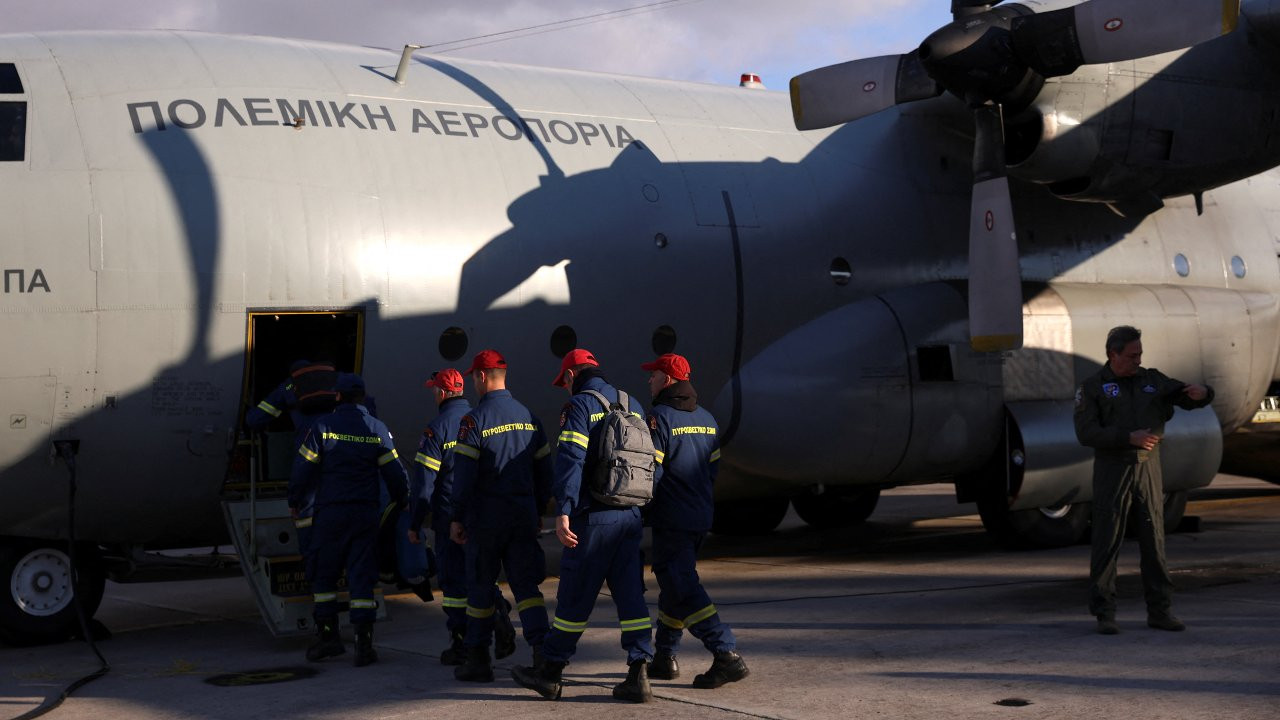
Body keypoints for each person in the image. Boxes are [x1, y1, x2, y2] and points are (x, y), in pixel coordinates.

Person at [512, 348, 654, 703]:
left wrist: (564, 509)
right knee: (630, 596)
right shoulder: (631, 403)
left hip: (594, 520)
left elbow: (572, 460)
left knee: (574, 598)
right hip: (629, 515)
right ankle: (639, 672)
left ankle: (550, 672)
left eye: (564, 382)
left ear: (573, 375)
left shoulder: (579, 406)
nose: (565, 388)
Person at [1073, 326, 1214, 635]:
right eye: (1132, 355)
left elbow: (1185, 395)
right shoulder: (1093, 387)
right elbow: (1086, 433)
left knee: (1154, 540)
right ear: (1113, 354)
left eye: (1140, 354)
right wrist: (1127, 437)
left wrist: (1203, 393)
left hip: (1148, 468)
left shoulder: (1151, 380)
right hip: (1113, 468)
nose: (1138, 360)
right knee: (1107, 540)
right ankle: (1104, 612)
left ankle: (1160, 610)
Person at [641, 353, 749, 688]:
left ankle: (725, 652)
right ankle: (665, 655)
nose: (650, 380)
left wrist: (639, 510)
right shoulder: (707, 419)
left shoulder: (658, 419)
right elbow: (712, 470)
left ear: (667, 380)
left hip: (672, 518)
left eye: (654, 375)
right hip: (699, 515)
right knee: (676, 583)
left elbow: (651, 474)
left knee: (682, 585)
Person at [290, 373, 409, 666]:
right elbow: (394, 472)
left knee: (324, 575)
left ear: (338, 396)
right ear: (362, 397)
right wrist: (401, 500)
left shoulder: (323, 427)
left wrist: (295, 500)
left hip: (331, 512)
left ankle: (329, 638)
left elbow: (303, 469)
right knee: (362, 577)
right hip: (364, 513)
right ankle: (364, 645)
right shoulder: (375, 428)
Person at [448, 350, 553, 682]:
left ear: (481, 377)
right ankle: (541, 654)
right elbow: (545, 472)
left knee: (480, 588)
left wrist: (456, 517)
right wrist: (537, 509)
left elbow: (462, 478)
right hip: (522, 515)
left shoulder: (474, 421)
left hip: (486, 520)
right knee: (527, 589)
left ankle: (478, 659)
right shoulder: (529, 416)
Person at [408, 367, 516, 665]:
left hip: (448, 518)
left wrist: (415, 522)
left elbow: (424, 484)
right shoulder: (478, 419)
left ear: (442, 393)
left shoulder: (437, 428)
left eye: (434, 389)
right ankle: (499, 613)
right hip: (481, 514)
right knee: (481, 574)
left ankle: (462, 642)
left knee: (455, 585)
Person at [245, 359, 338, 610]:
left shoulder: (289, 387)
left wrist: (247, 413)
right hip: (339, 463)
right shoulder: (338, 384)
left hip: (309, 458)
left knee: (308, 523)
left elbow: (257, 419)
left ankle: (315, 579)